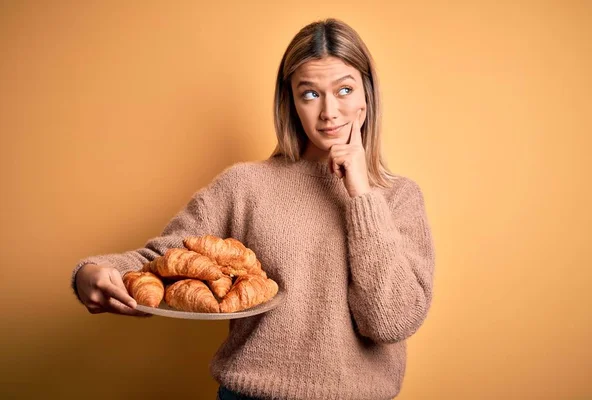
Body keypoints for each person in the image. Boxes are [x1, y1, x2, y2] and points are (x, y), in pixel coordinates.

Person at [71, 18, 436, 400]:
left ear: (367, 96)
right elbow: (161, 261)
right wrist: (92, 273)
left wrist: (361, 194)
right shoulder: (245, 185)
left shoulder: (399, 198)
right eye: (309, 94)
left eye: (344, 90)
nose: (329, 111)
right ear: (291, 102)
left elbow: (390, 321)